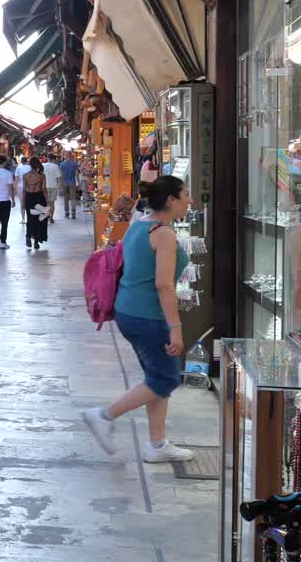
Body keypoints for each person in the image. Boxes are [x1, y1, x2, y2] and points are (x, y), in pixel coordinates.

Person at [83, 176, 195, 464]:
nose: (190, 200)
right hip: (148, 316)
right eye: (185, 194)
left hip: (129, 310)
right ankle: (104, 415)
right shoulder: (164, 234)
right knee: (167, 377)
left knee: (156, 377)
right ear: (171, 200)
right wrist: (176, 329)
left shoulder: (140, 224)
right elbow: (163, 285)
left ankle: (157, 445)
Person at [23, 163, 49, 250]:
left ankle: (28, 235)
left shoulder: (25, 176)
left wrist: (23, 202)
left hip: (29, 197)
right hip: (39, 197)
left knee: (30, 218)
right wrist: (47, 200)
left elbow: (24, 189)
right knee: (39, 219)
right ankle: (36, 242)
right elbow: (44, 189)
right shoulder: (42, 176)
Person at [42, 154, 62, 224]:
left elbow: (41, 176)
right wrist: (59, 186)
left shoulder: (43, 166)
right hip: (53, 186)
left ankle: (46, 216)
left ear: (47, 158)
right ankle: (51, 217)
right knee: (52, 203)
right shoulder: (56, 166)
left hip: (45, 187)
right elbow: (58, 177)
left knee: (46, 203)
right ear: (53, 159)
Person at [13, 157, 33, 224]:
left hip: (20, 187)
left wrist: (15, 189)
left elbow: (16, 179)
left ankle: (23, 219)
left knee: (22, 203)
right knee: (30, 203)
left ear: (21, 161)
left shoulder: (18, 168)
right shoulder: (30, 167)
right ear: (27, 161)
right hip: (30, 187)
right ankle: (30, 218)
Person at [59, 154, 80, 219]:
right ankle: (73, 213)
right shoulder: (75, 164)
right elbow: (76, 174)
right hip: (72, 182)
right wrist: (78, 183)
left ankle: (67, 212)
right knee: (73, 198)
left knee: (66, 198)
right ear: (71, 157)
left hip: (64, 182)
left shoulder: (62, 164)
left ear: (66, 156)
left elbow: (61, 174)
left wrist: (60, 184)